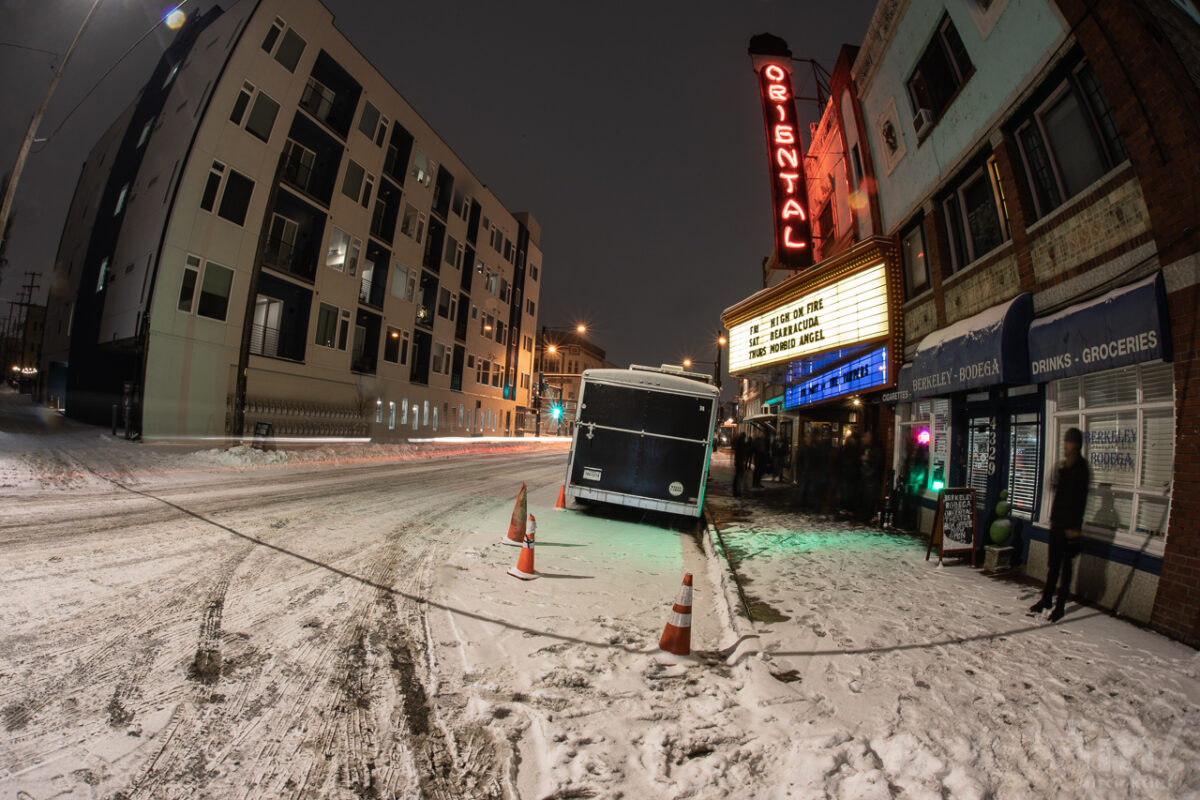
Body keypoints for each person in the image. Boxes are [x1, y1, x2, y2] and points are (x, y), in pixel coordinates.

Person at [1031, 427, 1090, 622]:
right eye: (1066, 442)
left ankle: (1060, 606)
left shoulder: (1081, 469)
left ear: (1076, 444)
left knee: (1066, 569)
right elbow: (1057, 492)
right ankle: (1046, 599)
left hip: (1070, 527)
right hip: (1057, 524)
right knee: (1053, 565)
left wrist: (1073, 529)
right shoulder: (1064, 467)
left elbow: (1078, 501)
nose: (1066, 445)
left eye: (1069, 442)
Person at [858, 430, 882, 523]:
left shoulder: (875, 449)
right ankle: (864, 516)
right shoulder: (865, 448)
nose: (865, 439)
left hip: (871, 479)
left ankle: (867, 517)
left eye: (867, 436)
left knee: (869, 499)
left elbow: (878, 463)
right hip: (864, 477)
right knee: (864, 498)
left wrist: (868, 459)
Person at [733, 431, 749, 497]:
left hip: (738, 461)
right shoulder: (742, 442)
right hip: (740, 462)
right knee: (739, 476)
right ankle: (737, 491)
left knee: (738, 476)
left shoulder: (739, 442)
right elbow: (742, 452)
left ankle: (737, 491)